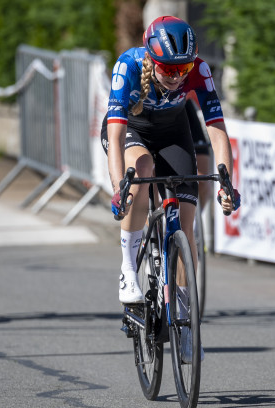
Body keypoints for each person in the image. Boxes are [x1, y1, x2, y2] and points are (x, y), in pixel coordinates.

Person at [101, 16, 238, 306]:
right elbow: (115, 135)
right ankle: (128, 268)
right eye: (168, 69)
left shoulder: (199, 69)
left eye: (183, 68)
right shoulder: (129, 66)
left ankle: (185, 315)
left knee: (185, 228)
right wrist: (118, 188)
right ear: (152, 59)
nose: (177, 76)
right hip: (132, 130)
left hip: (172, 132)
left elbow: (217, 129)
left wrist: (226, 184)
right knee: (143, 168)